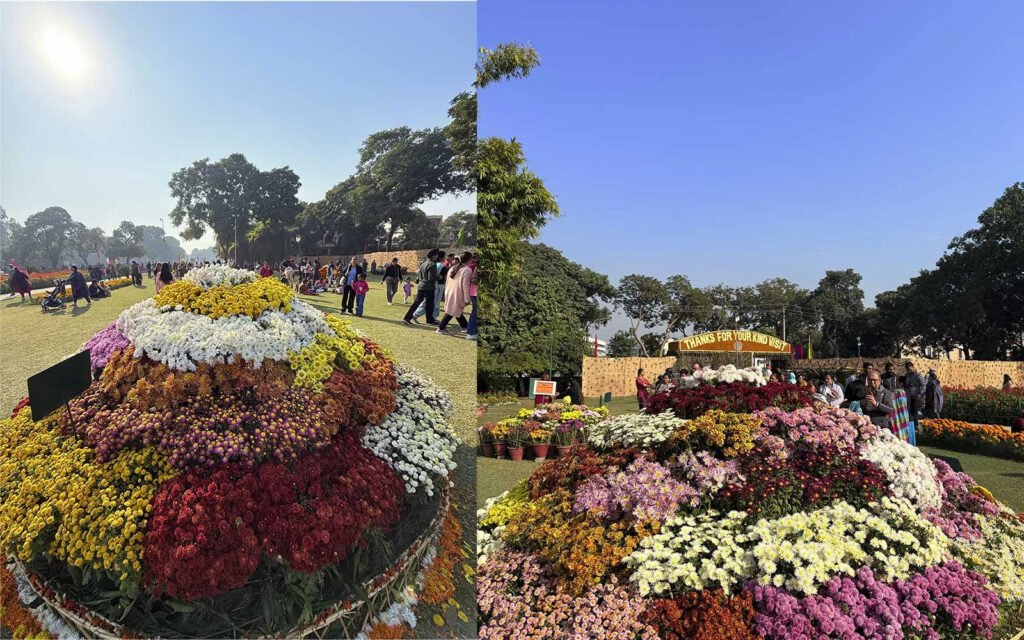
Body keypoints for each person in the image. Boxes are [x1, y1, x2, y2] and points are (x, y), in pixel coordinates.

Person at [437, 253, 473, 334]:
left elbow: (447, 281)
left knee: (455, 310)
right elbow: (465, 285)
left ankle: (465, 327)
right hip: (458, 293)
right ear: (469, 259)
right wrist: (467, 299)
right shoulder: (467, 270)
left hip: (450, 291)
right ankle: (441, 328)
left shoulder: (453, 267)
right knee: (452, 311)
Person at [403, 250, 439, 326]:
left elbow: (419, 275)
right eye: (436, 255)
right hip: (429, 287)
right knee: (429, 304)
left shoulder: (423, 264)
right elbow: (431, 278)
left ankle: (407, 318)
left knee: (416, 303)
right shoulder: (432, 265)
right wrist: (439, 277)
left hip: (421, 286)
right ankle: (429, 320)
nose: (437, 257)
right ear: (433, 256)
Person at [465, 253, 478, 341]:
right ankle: (471, 332)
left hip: (473, 291)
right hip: (475, 292)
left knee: (474, 312)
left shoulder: (473, 267)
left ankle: (472, 331)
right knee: (475, 312)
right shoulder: (475, 267)